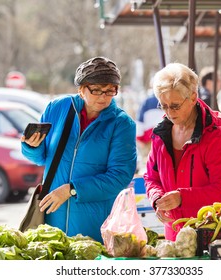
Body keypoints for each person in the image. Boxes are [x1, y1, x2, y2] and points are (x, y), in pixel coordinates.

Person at [21, 56, 137, 243]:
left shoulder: (122, 124)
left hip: (93, 222)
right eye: (96, 90)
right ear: (81, 89)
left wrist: (73, 189)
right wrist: (31, 146)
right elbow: (41, 157)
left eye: (110, 91)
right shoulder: (58, 108)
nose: (103, 97)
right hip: (52, 217)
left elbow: (120, 176)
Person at [143, 63, 221, 241]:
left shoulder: (214, 136)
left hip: (214, 233)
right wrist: (157, 199)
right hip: (176, 234)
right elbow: (151, 177)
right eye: (163, 106)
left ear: (193, 97)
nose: (169, 113)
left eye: (175, 106)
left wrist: (182, 197)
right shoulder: (160, 134)